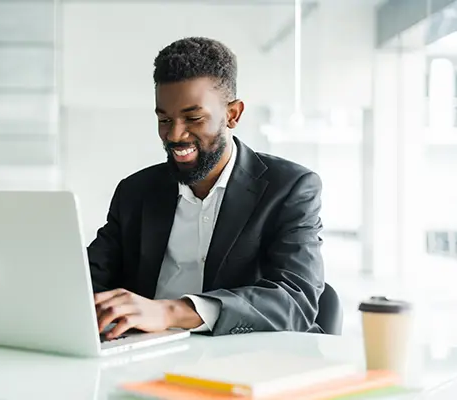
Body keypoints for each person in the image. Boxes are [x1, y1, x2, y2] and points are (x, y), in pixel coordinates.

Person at [89, 37, 325, 339]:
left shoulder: (290, 188)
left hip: (242, 359)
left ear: (233, 114)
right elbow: (90, 280)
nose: (174, 134)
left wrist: (170, 311)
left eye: (193, 118)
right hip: (143, 355)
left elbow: (294, 300)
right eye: (164, 119)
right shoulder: (135, 191)